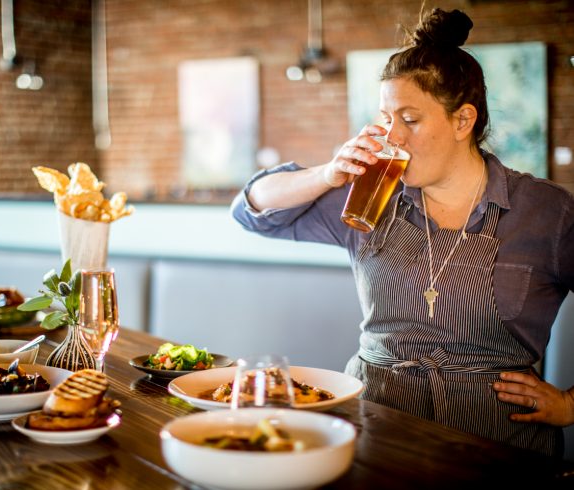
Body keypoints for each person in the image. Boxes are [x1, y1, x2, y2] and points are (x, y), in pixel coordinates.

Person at [231, 7, 574, 457]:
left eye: (410, 119)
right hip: (375, 429)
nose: (393, 135)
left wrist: (569, 405)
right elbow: (251, 208)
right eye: (386, 117)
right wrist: (327, 173)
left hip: (498, 444)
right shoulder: (372, 195)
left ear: (462, 120)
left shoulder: (547, 212)